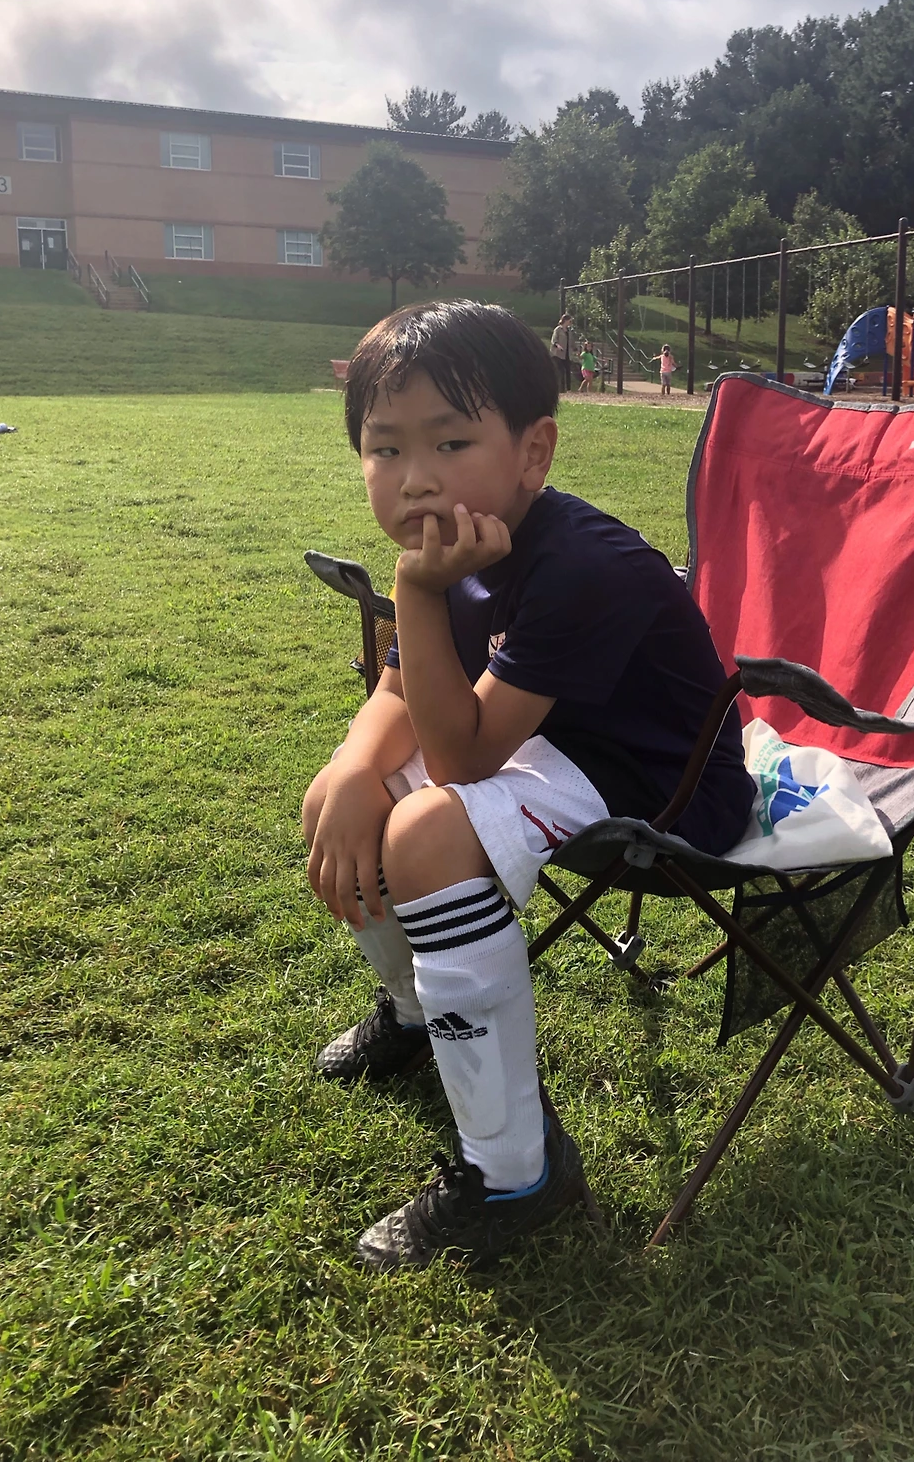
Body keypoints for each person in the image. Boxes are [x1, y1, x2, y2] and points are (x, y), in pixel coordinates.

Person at [301, 300, 753, 1268]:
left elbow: (460, 759)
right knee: (338, 798)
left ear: (532, 452)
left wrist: (413, 592)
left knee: (423, 832)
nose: (415, 476)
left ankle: (517, 1175)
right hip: (552, 745)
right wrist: (351, 770)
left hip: (663, 784)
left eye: (450, 441)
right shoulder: (458, 549)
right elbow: (399, 693)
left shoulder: (577, 564)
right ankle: (415, 1015)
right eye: (384, 449)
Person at [549, 314, 572, 392]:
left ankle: (568, 389)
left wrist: (576, 350)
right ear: (565, 320)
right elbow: (554, 340)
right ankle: (561, 389)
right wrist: (558, 346)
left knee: (568, 371)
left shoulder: (569, 331)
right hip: (558, 354)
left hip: (567, 354)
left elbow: (571, 342)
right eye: (570, 321)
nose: (570, 323)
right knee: (560, 371)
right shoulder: (558, 329)